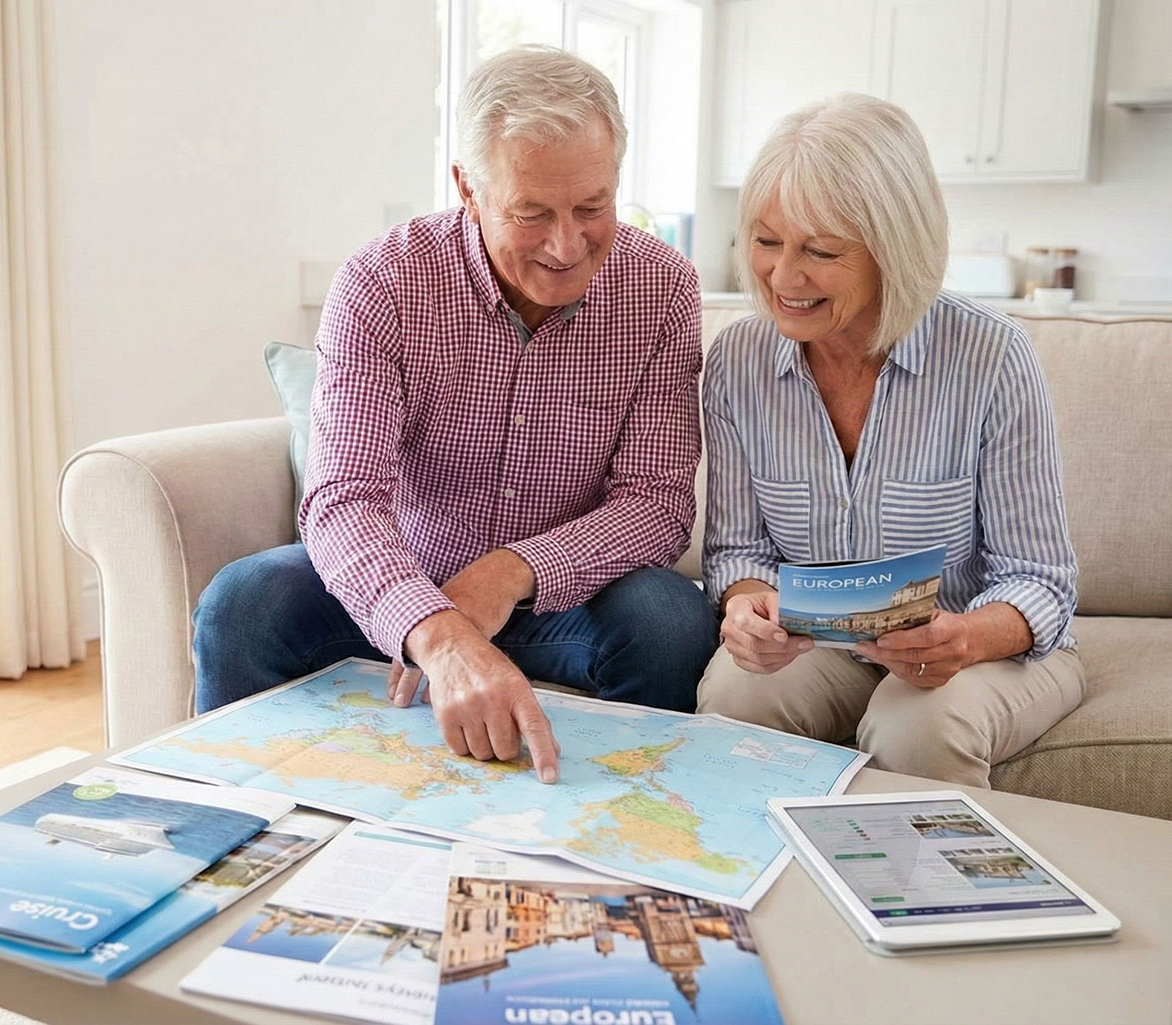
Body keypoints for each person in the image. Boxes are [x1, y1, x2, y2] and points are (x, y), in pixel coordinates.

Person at [193, 46, 717, 783]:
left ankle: (613, 818)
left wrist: (511, 572)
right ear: (467, 187)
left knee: (671, 619)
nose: (567, 246)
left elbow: (655, 505)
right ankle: (237, 813)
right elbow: (343, 500)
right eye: (532, 213)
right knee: (242, 602)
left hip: (561, 602)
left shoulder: (662, 288)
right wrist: (436, 629)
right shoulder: (384, 281)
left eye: (592, 207)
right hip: (402, 585)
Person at [699, 93, 1084, 788]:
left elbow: (1041, 580)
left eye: (820, 250)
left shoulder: (992, 357)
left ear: (893, 249)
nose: (784, 277)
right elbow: (739, 551)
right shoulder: (736, 362)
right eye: (766, 241)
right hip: (822, 647)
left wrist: (961, 638)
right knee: (733, 695)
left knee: (919, 726)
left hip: (980, 646)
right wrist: (747, 605)